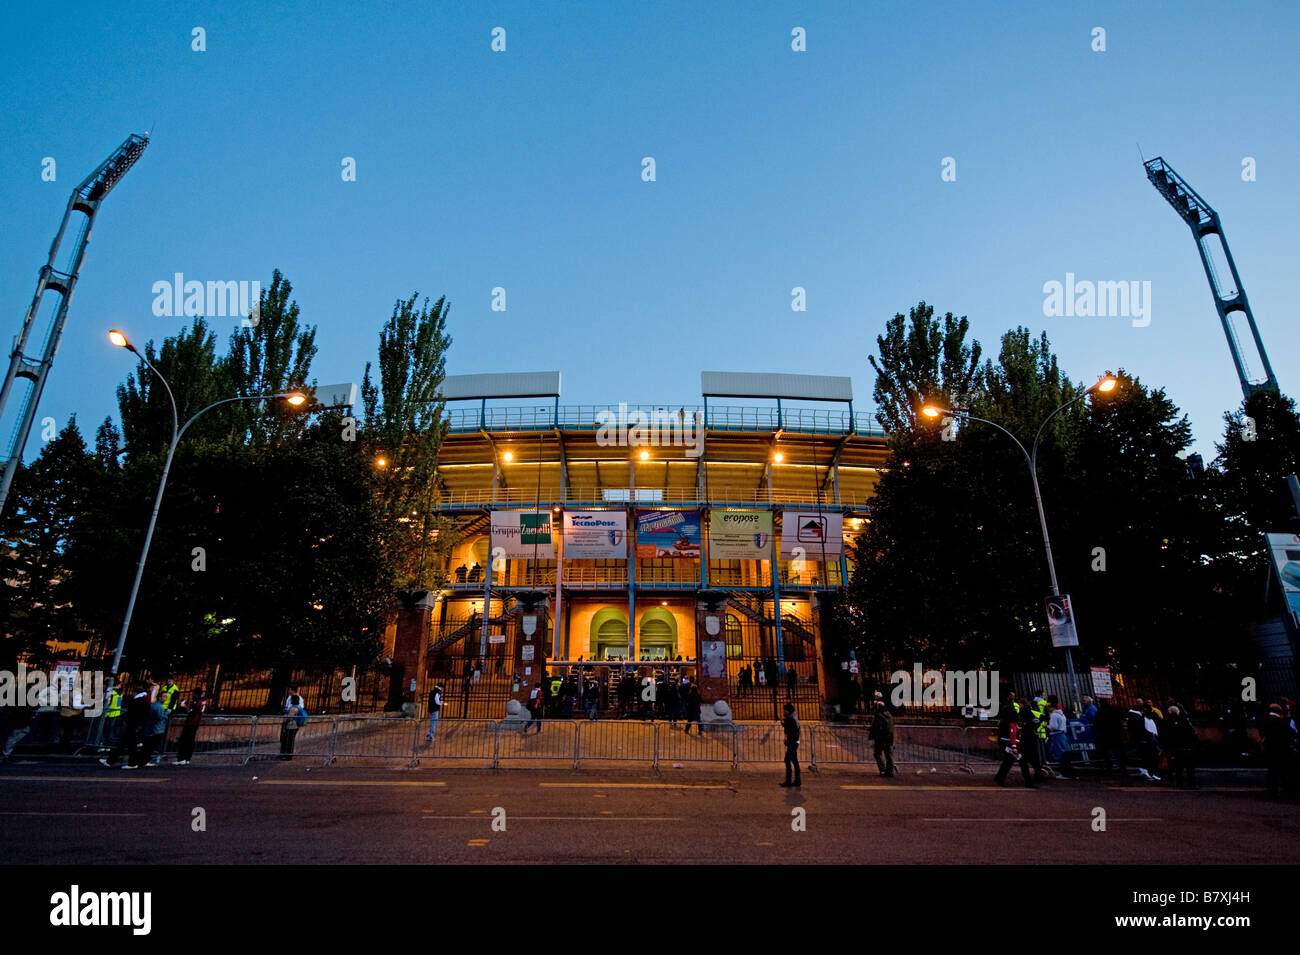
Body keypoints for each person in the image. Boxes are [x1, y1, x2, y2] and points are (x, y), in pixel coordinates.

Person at [100, 683, 151, 768]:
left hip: (133, 725)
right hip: (135, 726)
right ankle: (111, 761)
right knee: (126, 745)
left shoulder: (137, 701)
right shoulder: (143, 701)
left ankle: (130, 763)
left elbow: (132, 714)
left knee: (129, 746)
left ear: (135, 693)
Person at [994, 692, 1036, 787]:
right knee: (1021, 762)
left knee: (1008, 762)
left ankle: (999, 778)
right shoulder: (1012, 722)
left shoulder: (1004, 719)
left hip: (1005, 743)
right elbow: (1013, 734)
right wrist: (1014, 746)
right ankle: (1028, 782)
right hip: (1011, 744)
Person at [1261, 702, 1297, 796]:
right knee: (1285, 769)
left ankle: (1273, 790)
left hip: (1269, 748)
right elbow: (1291, 733)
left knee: (1272, 770)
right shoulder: (1281, 722)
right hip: (1282, 748)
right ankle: (1288, 789)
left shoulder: (1265, 720)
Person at [126, 693, 169, 769]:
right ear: (159, 697)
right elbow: (160, 717)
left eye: (166, 697)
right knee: (149, 747)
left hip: (153, 729)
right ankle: (143, 761)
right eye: (164, 697)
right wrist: (166, 713)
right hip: (156, 729)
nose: (165, 698)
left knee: (148, 746)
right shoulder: (158, 706)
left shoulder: (155, 705)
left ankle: (142, 760)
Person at [1161, 704, 1198, 789]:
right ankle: (1192, 784)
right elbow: (1193, 734)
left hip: (1176, 748)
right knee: (1190, 768)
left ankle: (1179, 783)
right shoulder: (1185, 721)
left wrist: (1166, 747)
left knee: (1178, 768)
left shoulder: (1166, 722)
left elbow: (1165, 736)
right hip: (1188, 747)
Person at [1127, 700, 1160, 781]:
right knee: (1148, 756)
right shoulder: (1139, 718)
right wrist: (1150, 734)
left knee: (1148, 756)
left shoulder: (1139, 717)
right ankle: (1149, 772)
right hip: (1145, 739)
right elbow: (1141, 729)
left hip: (1145, 738)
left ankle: (1149, 772)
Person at [173, 691, 208, 765]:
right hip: (195, 723)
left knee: (185, 740)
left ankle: (182, 758)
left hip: (191, 723)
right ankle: (187, 758)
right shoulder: (202, 701)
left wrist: (184, 706)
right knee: (190, 741)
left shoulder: (197, 701)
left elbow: (191, 711)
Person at [1046, 695, 1076, 779]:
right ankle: (1069, 773)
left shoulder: (1053, 715)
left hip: (1057, 735)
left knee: (1061, 755)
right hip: (1063, 734)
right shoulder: (1061, 714)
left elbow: (1053, 727)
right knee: (1065, 753)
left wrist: (1047, 726)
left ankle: (1065, 773)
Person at [869, 699, 896, 777]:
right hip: (889, 738)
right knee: (889, 755)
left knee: (877, 753)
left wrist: (871, 730)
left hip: (881, 738)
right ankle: (890, 771)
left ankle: (883, 770)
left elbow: (878, 728)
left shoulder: (878, 716)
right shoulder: (889, 715)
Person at [780, 703, 801, 787]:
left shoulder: (790, 719)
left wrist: (788, 741)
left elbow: (791, 731)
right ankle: (797, 780)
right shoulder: (793, 717)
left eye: (784, 710)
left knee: (787, 760)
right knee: (794, 761)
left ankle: (789, 781)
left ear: (788, 710)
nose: (783, 711)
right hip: (795, 742)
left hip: (792, 743)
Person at [280, 694, 305, 760]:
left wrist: (284, 717)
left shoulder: (293, 708)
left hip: (291, 726)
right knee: (290, 741)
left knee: (288, 741)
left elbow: (289, 717)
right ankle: (288, 754)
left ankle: (287, 755)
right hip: (295, 726)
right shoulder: (299, 707)